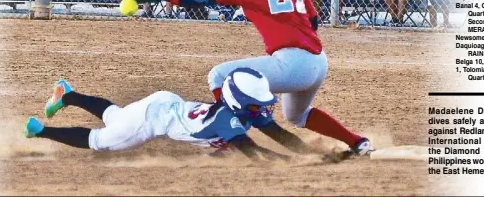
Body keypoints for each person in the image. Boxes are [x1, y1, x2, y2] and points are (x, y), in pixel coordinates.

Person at [121, 0, 373, 157]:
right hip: (318, 62)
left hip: (292, 63)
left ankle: (229, 137)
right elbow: (314, 22)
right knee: (298, 116)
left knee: (219, 75)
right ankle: (358, 142)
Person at [24, 69, 297, 160]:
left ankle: (68, 95)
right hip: (152, 120)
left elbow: (280, 135)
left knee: (116, 115)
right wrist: (295, 164)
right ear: (239, 103)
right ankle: (40, 131)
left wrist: (318, 154)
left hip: (165, 103)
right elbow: (256, 153)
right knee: (101, 140)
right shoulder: (230, 118)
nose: (263, 110)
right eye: (256, 105)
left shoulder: (242, 111)